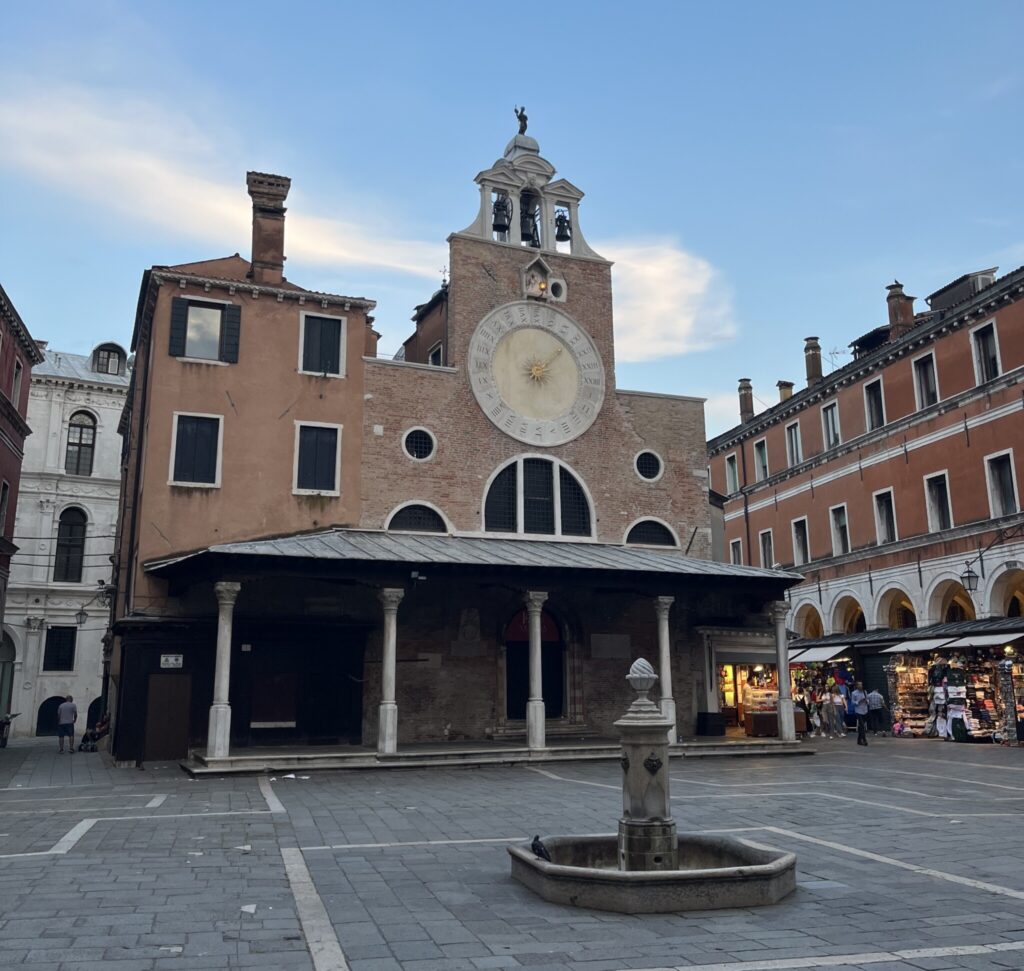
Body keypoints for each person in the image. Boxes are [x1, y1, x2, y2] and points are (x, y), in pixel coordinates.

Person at [851, 681, 869, 746]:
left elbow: (867, 699)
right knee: (862, 725)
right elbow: (852, 702)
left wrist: (867, 701)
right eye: (859, 685)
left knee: (862, 726)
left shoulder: (865, 692)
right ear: (857, 686)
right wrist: (859, 701)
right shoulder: (854, 693)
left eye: (861, 684)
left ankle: (859, 740)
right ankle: (864, 740)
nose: (861, 686)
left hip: (865, 710)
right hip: (858, 711)